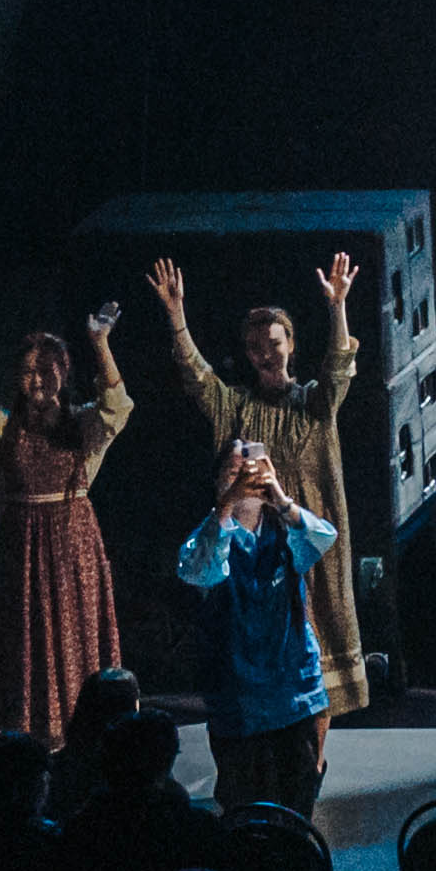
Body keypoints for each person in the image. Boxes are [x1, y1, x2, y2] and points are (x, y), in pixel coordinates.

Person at [139, 248, 372, 730]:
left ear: (291, 344)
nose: (266, 354)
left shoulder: (314, 403)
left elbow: (337, 366)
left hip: (306, 539)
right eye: (255, 347)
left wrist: (337, 307)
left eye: (274, 343)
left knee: (316, 651)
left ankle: (313, 761)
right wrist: (177, 316)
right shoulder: (236, 406)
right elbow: (197, 377)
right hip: (257, 555)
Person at [0, 303, 132, 742]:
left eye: (47, 371)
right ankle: (29, 739)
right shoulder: (1, 427)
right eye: (29, 372)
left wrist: (100, 344)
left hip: (73, 550)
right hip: (22, 553)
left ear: (64, 373)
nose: (38, 380)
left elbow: (117, 407)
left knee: (76, 638)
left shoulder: (83, 424)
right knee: (27, 641)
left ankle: (85, 734)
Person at [171, 437, 344, 824]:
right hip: (237, 690)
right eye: (234, 471)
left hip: (291, 684)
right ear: (217, 481)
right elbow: (197, 570)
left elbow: (324, 538)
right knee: (244, 805)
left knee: (296, 799)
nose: (246, 479)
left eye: (255, 470)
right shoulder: (212, 533)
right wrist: (227, 504)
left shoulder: (286, 528)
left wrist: (278, 497)